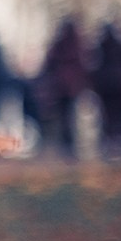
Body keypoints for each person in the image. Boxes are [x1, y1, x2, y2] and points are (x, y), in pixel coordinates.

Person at [36, 17, 88, 157]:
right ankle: (68, 147)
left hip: (63, 89)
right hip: (68, 90)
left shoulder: (61, 46)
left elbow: (48, 66)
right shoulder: (76, 46)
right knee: (68, 118)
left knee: (65, 118)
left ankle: (67, 146)